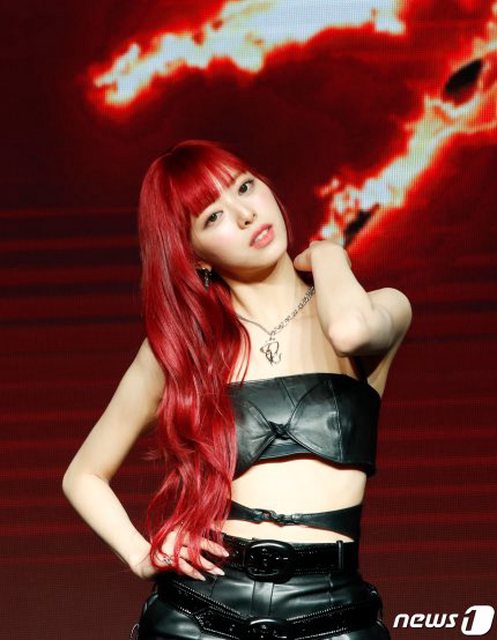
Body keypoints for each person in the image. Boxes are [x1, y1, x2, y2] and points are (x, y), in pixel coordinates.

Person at [62, 139, 412, 640]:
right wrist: (142, 556)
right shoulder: (182, 348)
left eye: (244, 187)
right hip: (198, 615)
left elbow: (349, 331)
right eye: (213, 217)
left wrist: (331, 255)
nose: (246, 214)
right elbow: (84, 475)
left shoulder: (383, 307)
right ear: (195, 254)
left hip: (333, 613)